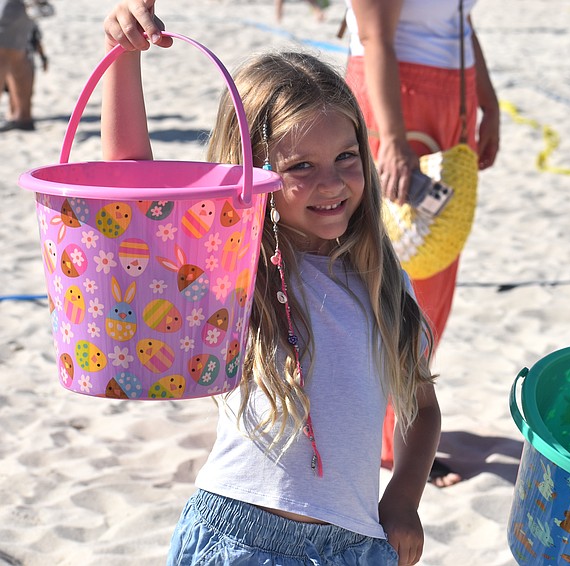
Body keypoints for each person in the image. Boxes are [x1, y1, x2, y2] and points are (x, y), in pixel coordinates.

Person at [103, 2, 442, 564]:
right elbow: (132, 185)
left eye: (346, 156)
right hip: (238, 536)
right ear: (252, 172)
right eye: (301, 167)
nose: (331, 182)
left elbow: (421, 407)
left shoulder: (387, 283)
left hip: (355, 545)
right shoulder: (233, 272)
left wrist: (403, 500)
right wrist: (123, 60)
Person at [343, 0, 500, 488]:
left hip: (452, 90)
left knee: (433, 261)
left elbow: (461, 19)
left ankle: (402, 429)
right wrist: (390, 138)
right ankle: (387, 439)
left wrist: (486, 102)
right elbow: (375, 37)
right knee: (393, 272)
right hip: (397, 94)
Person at [0, 0, 36, 131]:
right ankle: (22, 116)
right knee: (17, 58)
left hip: (12, 8)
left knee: (7, 56)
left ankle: (23, 116)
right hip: (18, 9)